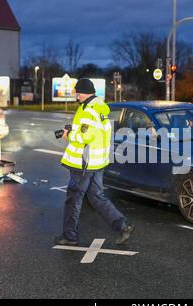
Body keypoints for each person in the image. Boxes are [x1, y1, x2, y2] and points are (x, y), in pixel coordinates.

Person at [54, 78, 134, 246]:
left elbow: (86, 136)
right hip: (97, 162)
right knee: (97, 196)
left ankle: (69, 236)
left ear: (83, 92)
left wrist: (68, 135)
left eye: (77, 92)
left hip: (84, 164)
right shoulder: (100, 108)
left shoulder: (88, 110)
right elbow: (95, 133)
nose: (76, 96)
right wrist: (73, 129)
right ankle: (122, 225)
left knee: (74, 198)